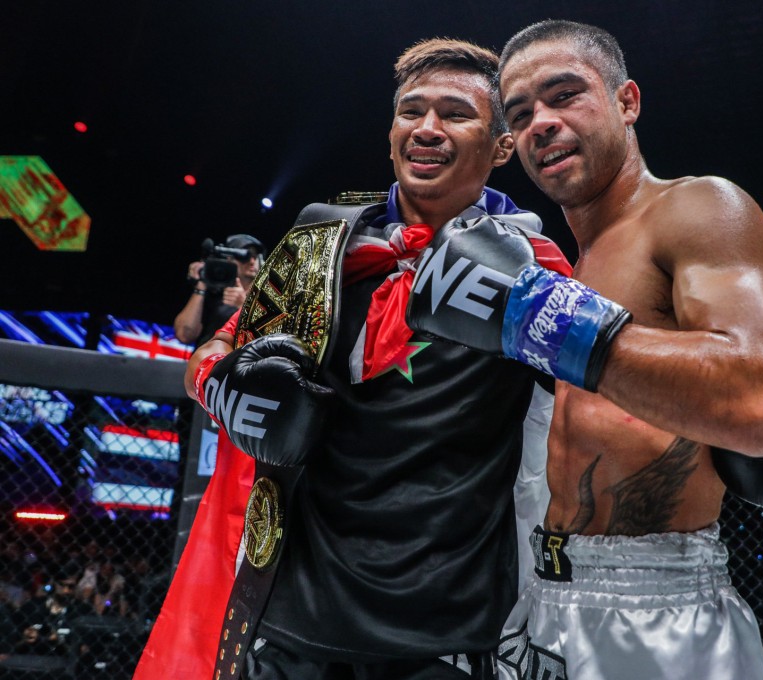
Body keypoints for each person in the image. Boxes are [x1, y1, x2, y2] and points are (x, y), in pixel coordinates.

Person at [136, 38, 570, 680]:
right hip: (290, 613)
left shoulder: (534, 265)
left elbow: (601, 417)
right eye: (411, 111)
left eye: (455, 113)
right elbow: (211, 351)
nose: (426, 129)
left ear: (503, 145)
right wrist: (228, 392)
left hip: (445, 631)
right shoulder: (320, 244)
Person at [403, 20, 763, 680]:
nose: (541, 123)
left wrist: (537, 318)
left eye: (564, 95)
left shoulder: (698, 208)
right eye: (521, 113)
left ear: (627, 101)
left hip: (661, 615)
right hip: (545, 599)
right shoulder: (565, 266)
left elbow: (756, 404)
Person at [172, 234, 265, 345]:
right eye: (244, 256)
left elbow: (263, 341)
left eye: (256, 257)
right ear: (229, 259)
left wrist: (243, 307)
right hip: (206, 359)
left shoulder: (263, 300)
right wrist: (200, 286)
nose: (251, 261)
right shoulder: (213, 292)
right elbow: (184, 335)